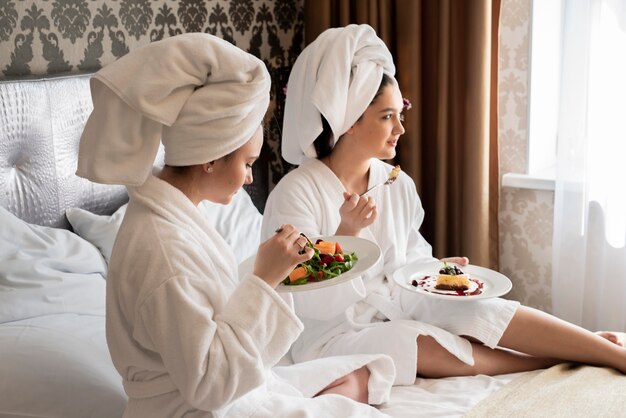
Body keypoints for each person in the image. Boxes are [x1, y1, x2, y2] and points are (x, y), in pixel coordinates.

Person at [261, 24, 626, 387]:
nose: (400, 129)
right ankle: (556, 357)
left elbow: (409, 262)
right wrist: (347, 236)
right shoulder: (296, 193)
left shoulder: (396, 182)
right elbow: (303, 298)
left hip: (397, 304)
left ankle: (605, 350)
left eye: (400, 114)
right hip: (332, 331)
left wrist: (437, 272)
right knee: (412, 342)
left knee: (481, 308)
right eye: (387, 116)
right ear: (349, 121)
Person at [76, 33, 396, 417]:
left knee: (365, 372)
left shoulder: (175, 215)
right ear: (210, 158)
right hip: (199, 408)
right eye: (247, 163)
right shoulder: (164, 250)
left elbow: (211, 311)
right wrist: (263, 280)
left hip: (227, 389)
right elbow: (210, 384)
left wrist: (275, 274)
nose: (250, 178)